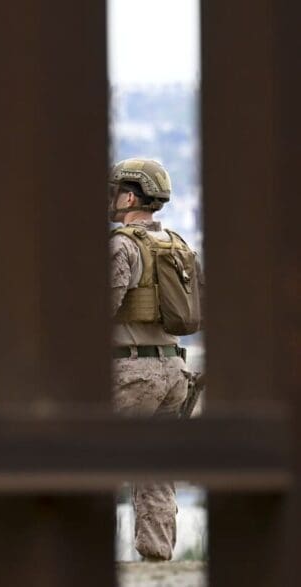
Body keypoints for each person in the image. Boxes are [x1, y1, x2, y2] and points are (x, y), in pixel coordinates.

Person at [108, 158, 203, 561]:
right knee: (156, 471)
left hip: (131, 371)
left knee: (82, 453)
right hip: (173, 371)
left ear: (129, 196)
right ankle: (157, 559)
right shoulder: (179, 246)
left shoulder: (122, 245)